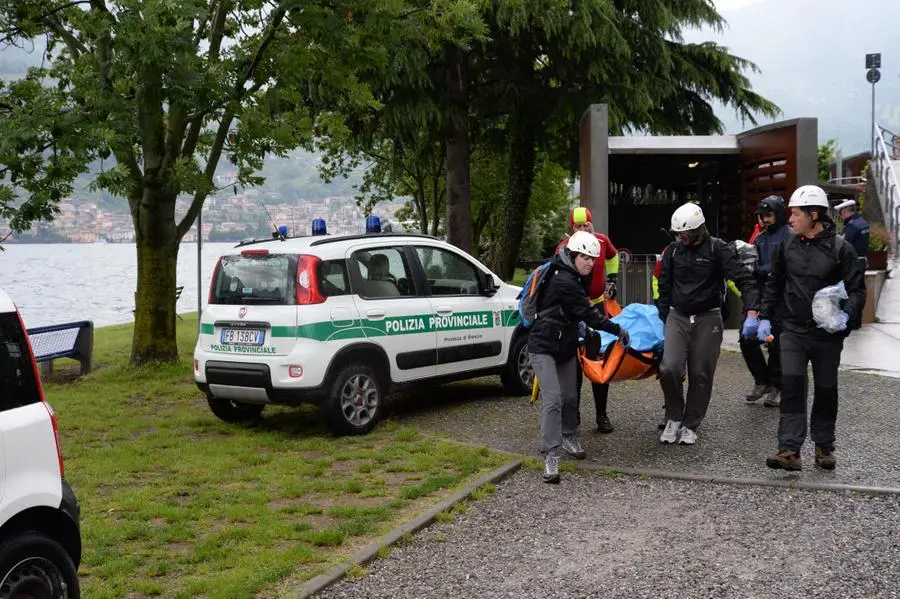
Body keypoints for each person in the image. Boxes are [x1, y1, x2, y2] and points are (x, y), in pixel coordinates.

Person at [757, 185, 866, 471]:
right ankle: (790, 450)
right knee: (792, 385)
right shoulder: (788, 244)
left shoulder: (841, 249)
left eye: (796, 214)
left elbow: (857, 290)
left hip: (827, 335)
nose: (790, 219)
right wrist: (764, 316)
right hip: (792, 329)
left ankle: (824, 446)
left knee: (826, 388)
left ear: (814, 215)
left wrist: (846, 318)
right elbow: (774, 282)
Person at [529, 231, 630, 483]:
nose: (590, 263)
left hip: (565, 343)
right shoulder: (563, 280)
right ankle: (551, 454)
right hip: (542, 345)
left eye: (593, 259)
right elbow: (589, 314)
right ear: (573, 254)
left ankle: (569, 434)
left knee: (571, 396)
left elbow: (578, 314)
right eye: (585, 257)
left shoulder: (575, 275)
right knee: (553, 399)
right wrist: (618, 329)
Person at [656, 203, 758, 445]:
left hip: (708, 316)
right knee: (668, 368)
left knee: (701, 373)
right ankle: (673, 416)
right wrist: (664, 317)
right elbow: (664, 285)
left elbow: (742, 278)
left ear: (697, 230)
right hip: (678, 315)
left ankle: (691, 423)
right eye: (677, 235)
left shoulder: (717, 249)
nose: (680, 238)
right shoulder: (672, 251)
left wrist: (753, 308)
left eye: (684, 235)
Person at [555, 206, 620, 433]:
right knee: (574, 364)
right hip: (573, 315)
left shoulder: (602, 242)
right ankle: (574, 414)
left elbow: (613, 257)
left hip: (597, 307)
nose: (582, 229)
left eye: (586, 225)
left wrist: (612, 280)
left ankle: (601, 415)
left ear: (592, 225)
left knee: (599, 361)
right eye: (577, 226)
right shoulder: (565, 248)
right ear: (571, 228)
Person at [740, 196, 793, 407]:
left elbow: (783, 270)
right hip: (761, 296)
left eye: (768, 215)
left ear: (779, 214)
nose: (764, 220)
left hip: (783, 299)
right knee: (747, 340)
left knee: (776, 344)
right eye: (762, 216)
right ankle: (761, 381)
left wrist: (758, 270)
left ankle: (777, 386)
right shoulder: (760, 239)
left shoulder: (789, 237)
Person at [834, 199, 869, 272]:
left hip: (853, 264)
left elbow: (844, 245)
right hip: (862, 262)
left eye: (840, 213)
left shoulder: (851, 225)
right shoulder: (862, 222)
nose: (840, 216)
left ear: (844, 211)